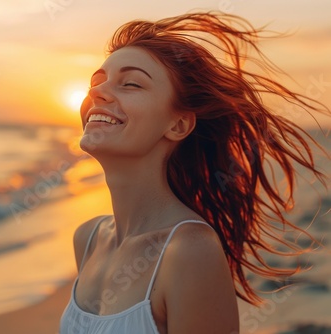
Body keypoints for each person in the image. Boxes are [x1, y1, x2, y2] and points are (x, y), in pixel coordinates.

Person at [59, 11, 329, 334]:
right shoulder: (88, 239)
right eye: (96, 82)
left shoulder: (189, 250)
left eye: (130, 83)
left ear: (178, 124)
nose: (97, 93)